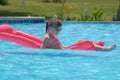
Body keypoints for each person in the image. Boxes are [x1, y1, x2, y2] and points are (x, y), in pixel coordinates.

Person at [41, 17, 116, 51]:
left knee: (81, 41)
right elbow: (42, 49)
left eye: (59, 29)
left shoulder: (53, 35)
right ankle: (105, 49)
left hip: (65, 49)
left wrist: (70, 46)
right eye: (57, 29)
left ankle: (99, 47)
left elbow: (61, 46)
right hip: (63, 51)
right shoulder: (47, 38)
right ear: (50, 28)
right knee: (86, 43)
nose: (58, 31)